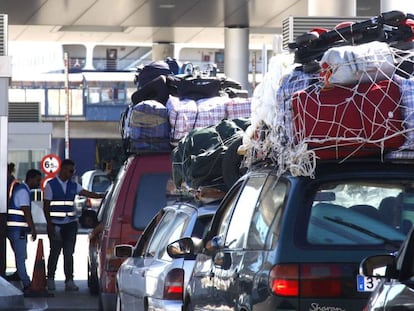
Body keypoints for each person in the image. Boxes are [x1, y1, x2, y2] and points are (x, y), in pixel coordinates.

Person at [43, 159, 104, 291]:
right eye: (70, 170)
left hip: (70, 224)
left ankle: (69, 280)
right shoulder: (50, 185)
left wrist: (101, 196)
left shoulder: (73, 185)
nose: (72, 173)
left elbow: (87, 193)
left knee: (69, 253)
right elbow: (46, 206)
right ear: (63, 169)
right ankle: (51, 279)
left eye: (73, 171)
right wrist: (49, 224)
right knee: (54, 252)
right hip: (56, 225)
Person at [6, 169, 41, 292]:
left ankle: (18, 274)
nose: (39, 183)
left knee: (20, 255)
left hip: (14, 229)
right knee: (21, 256)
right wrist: (33, 229)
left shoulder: (21, 189)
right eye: (37, 180)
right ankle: (26, 283)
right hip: (18, 229)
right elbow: (26, 211)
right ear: (30, 178)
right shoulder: (23, 191)